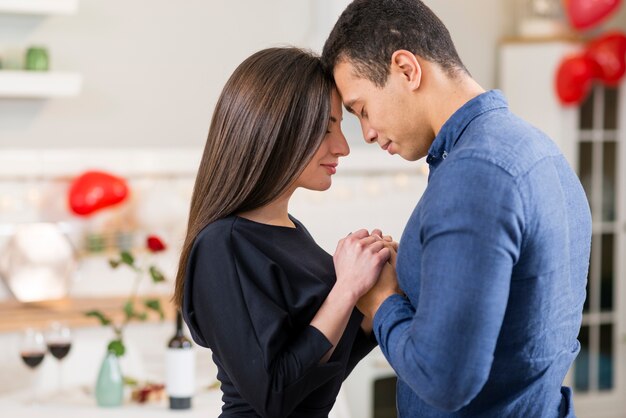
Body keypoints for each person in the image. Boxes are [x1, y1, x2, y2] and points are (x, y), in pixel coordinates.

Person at [322, 1, 592, 417]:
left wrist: (381, 301)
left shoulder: (475, 173)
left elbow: (445, 380)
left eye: (361, 109)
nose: (368, 133)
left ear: (407, 69)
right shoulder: (537, 149)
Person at [173, 47, 396, 418]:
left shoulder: (292, 231)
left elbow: (321, 372)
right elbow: (273, 395)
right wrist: (346, 290)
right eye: (326, 128)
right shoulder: (221, 245)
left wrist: (372, 301)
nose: (342, 147)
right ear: (276, 130)